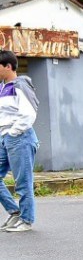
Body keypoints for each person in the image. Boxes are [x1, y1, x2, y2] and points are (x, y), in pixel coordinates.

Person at [0, 50, 39, 233]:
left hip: (20, 137)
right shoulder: (2, 87)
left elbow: (29, 113)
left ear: (8, 66)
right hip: (5, 138)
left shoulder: (20, 85)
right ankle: (14, 211)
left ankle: (26, 220)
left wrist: (14, 132)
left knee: (22, 182)